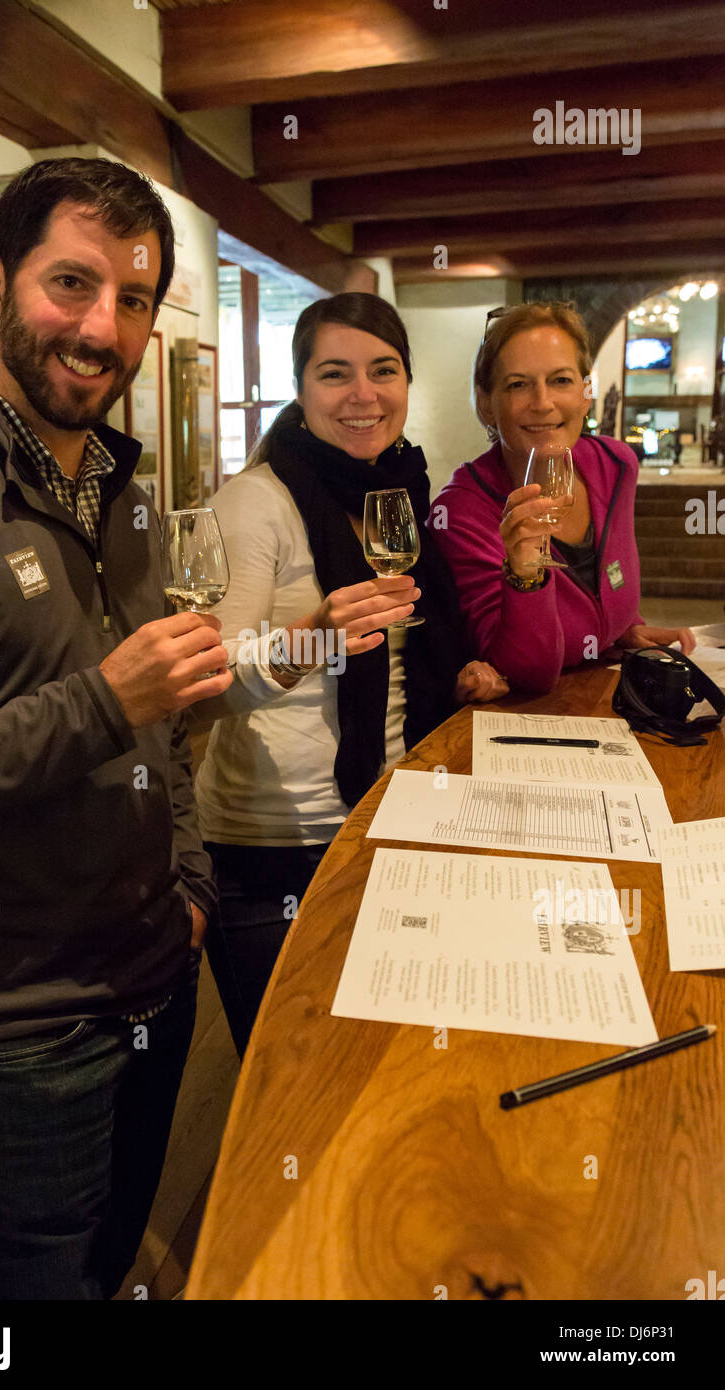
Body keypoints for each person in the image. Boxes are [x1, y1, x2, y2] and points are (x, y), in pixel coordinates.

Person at [0, 156, 232, 1300]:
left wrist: (191, 881)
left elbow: (152, 726)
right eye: (69, 285)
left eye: (129, 296)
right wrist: (98, 702)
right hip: (10, 1030)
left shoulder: (119, 486)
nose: (101, 327)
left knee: (110, 1262)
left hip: (150, 972)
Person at [191, 292, 507, 1058]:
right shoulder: (255, 503)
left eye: (382, 370)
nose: (363, 394)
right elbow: (207, 689)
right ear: (300, 390)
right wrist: (311, 640)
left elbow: (403, 657)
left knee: (376, 1058)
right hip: (277, 846)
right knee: (293, 1075)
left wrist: (459, 667)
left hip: (388, 813)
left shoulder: (397, 487)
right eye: (336, 374)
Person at [427, 302, 695, 693]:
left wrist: (623, 631)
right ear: (486, 403)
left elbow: (607, 587)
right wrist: (525, 576)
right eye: (518, 384)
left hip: (605, 700)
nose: (542, 402)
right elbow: (527, 672)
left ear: (587, 392)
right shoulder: (461, 511)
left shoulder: (615, 464)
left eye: (561, 380)